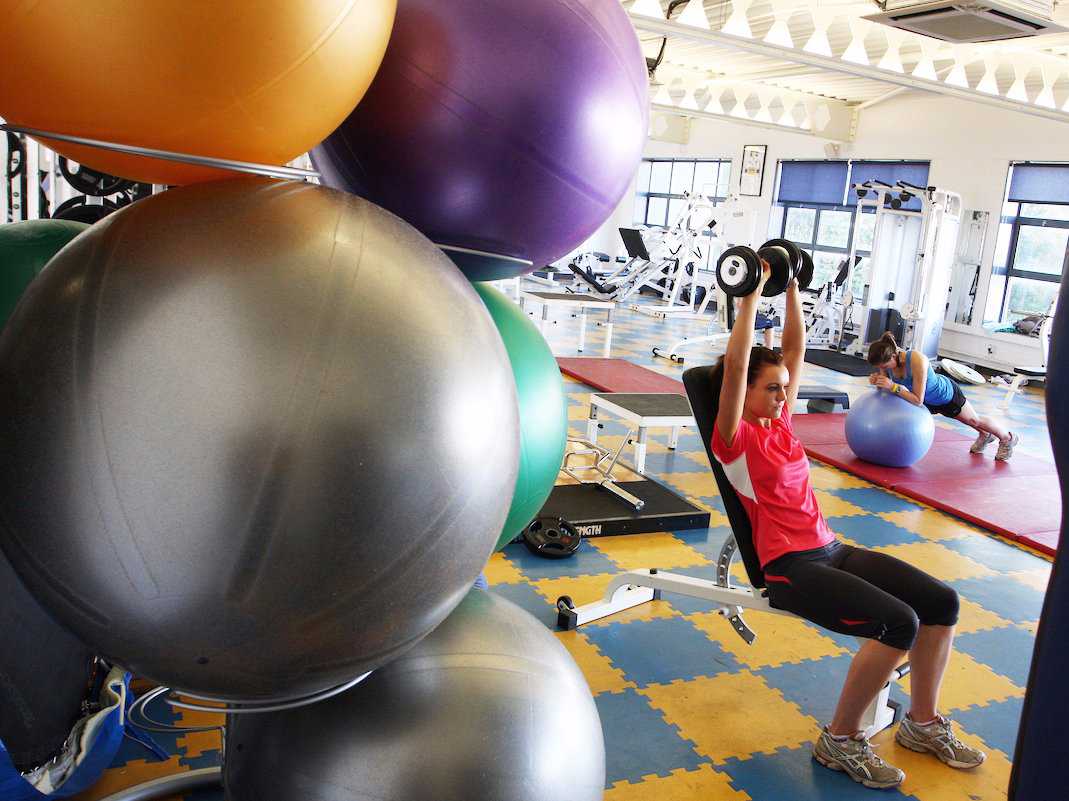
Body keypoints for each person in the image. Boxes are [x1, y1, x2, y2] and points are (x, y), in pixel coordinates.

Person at [710, 263, 985, 790]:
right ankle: (840, 739)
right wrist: (748, 298)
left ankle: (923, 725)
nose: (781, 396)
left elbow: (794, 349)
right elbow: (739, 362)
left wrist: (790, 288)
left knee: (942, 602)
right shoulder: (735, 438)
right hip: (789, 567)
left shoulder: (782, 424)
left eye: (784, 389)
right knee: (898, 623)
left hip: (831, 549)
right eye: (770, 390)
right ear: (742, 391)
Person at [867, 332, 1018, 461]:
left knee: (973, 420)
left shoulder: (916, 360)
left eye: (884, 367)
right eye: (879, 368)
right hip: (928, 401)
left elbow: (917, 399)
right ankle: (985, 434)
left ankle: (1007, 438)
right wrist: (878, 382)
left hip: (945, 395)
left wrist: (892, 386)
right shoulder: (886, 364)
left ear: (893, 356)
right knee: (964, 419)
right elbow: (887, 390)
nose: (882, 370)